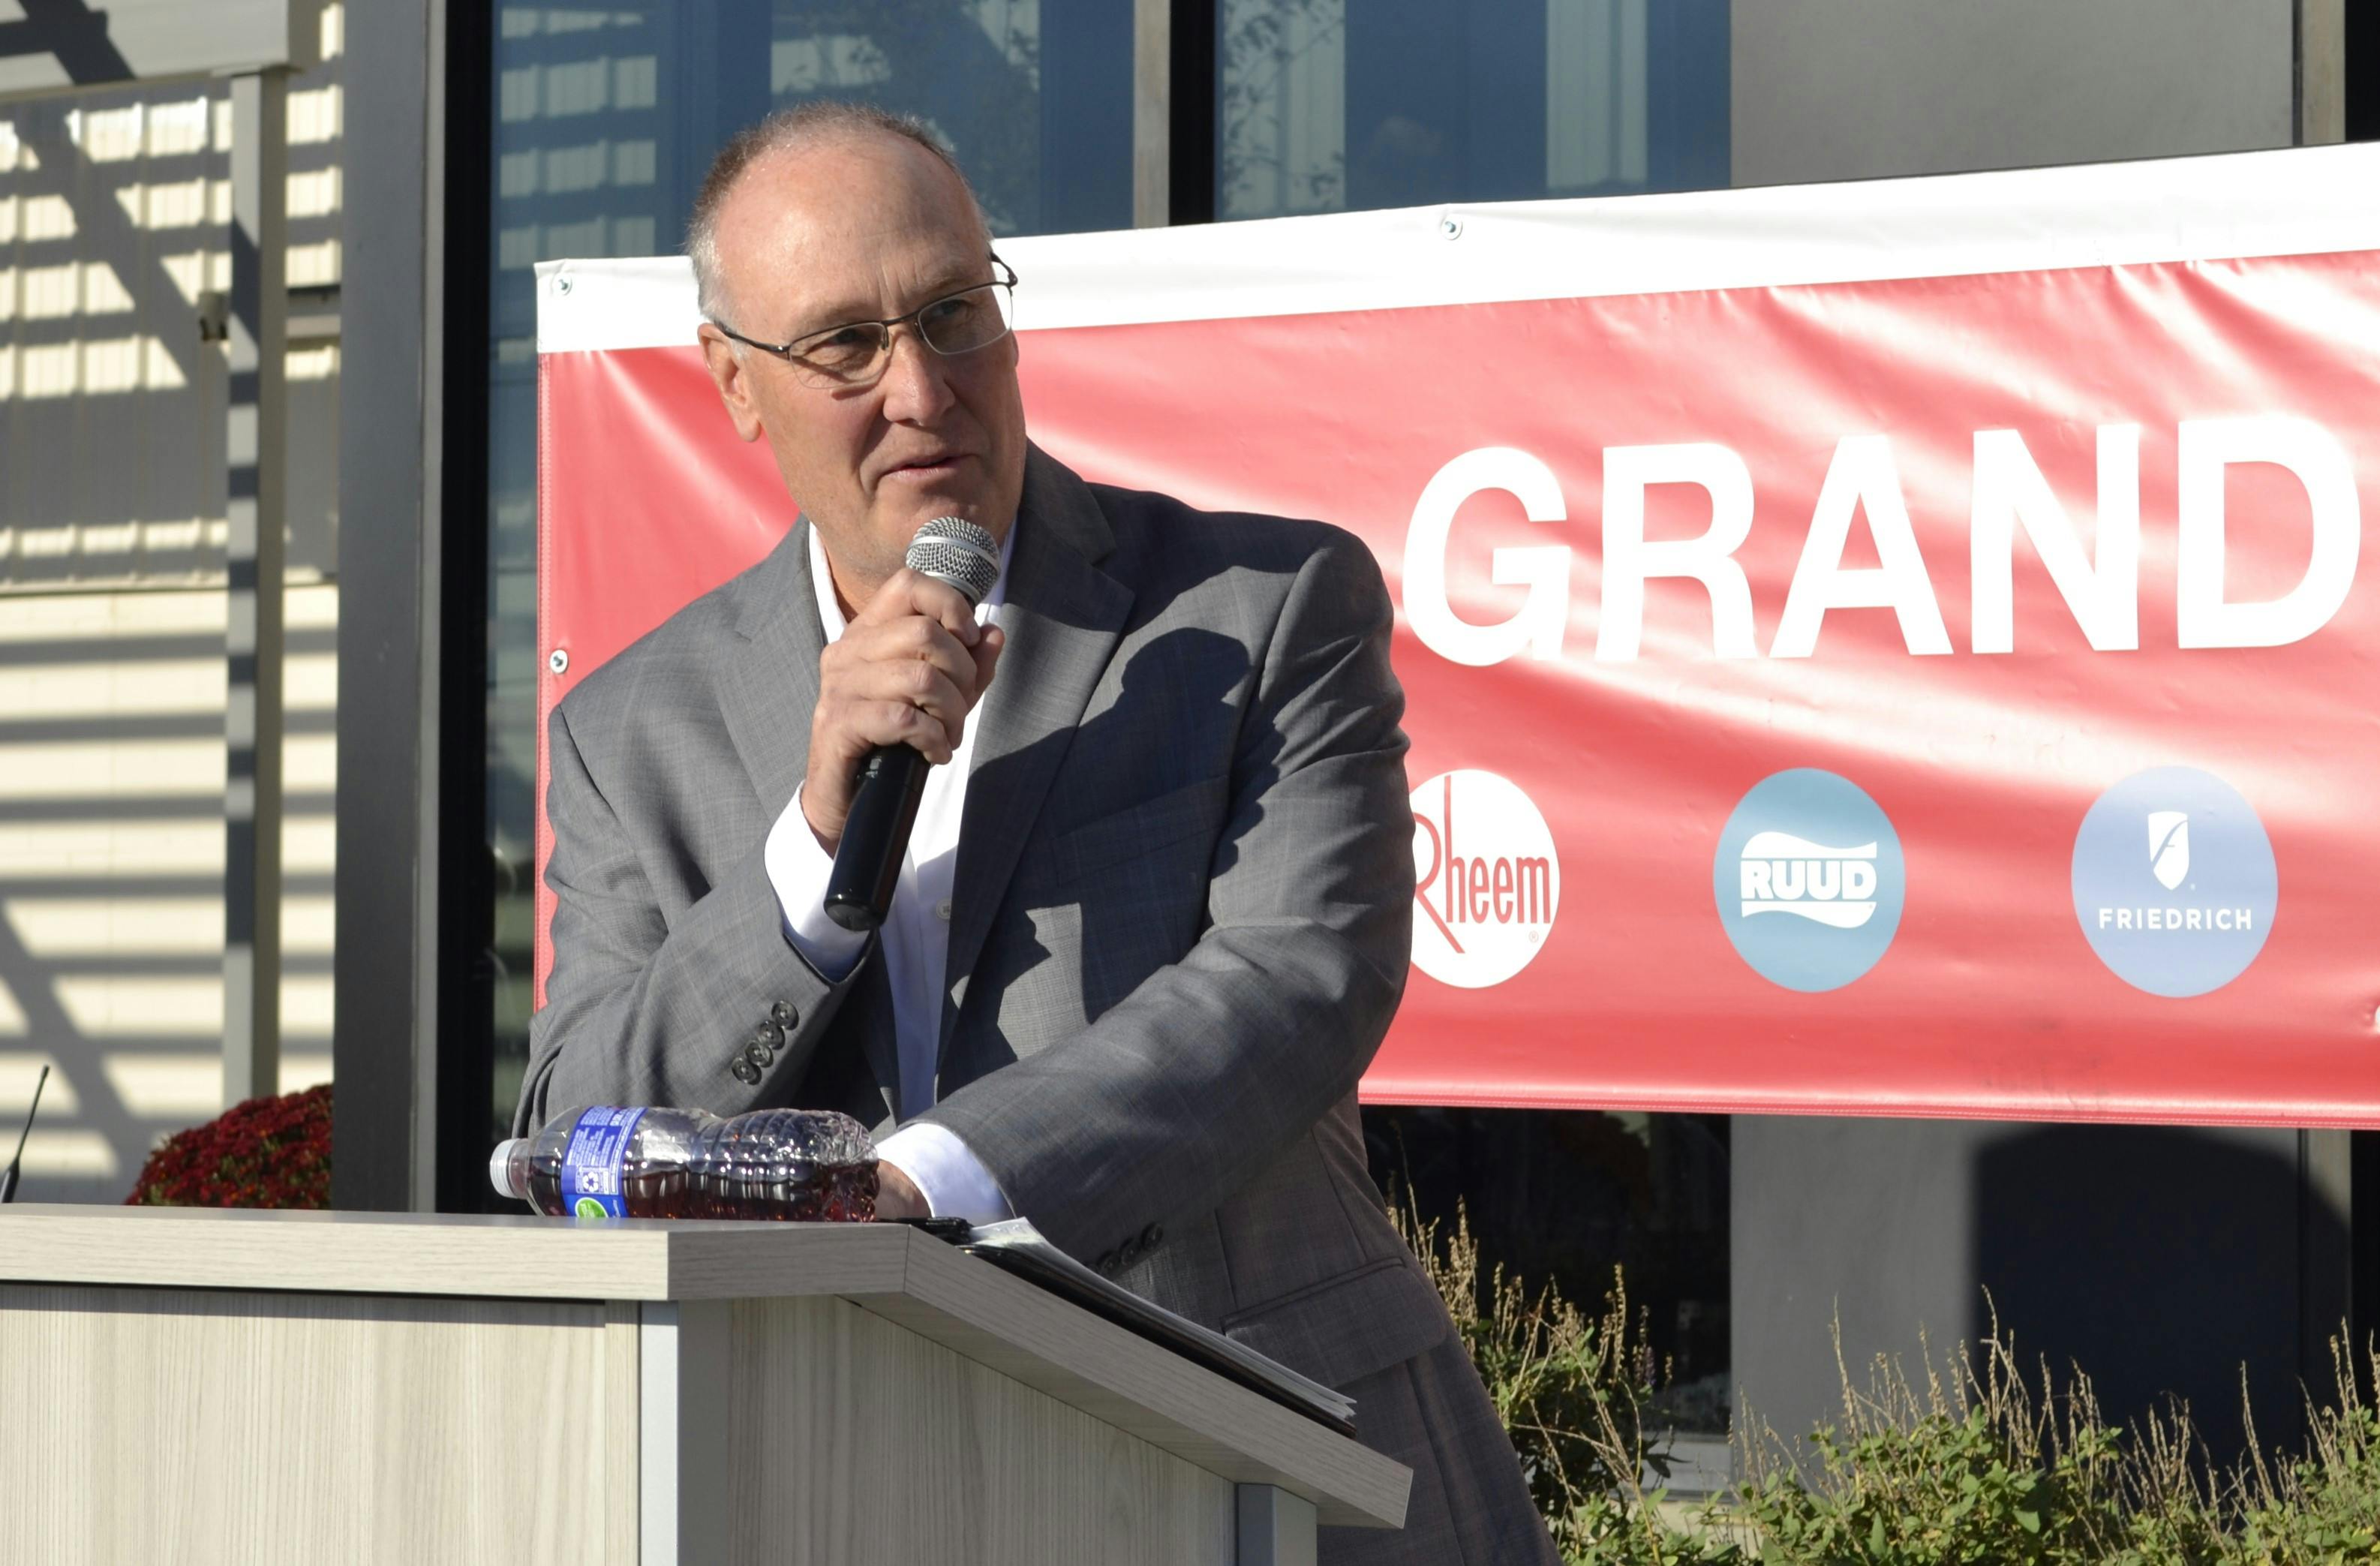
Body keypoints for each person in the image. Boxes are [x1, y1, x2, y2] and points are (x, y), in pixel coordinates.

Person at [515, 101, 1557, 1564]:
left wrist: (915, 1191)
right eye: (842, 346)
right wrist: (812, 849)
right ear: (735, 387)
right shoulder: (635, 732)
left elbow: (1295, 979)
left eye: (951, 314)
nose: (922, 393)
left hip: (1269, 1472)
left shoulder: (1262, 609)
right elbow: (577, 1130)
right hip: (849, 1481)